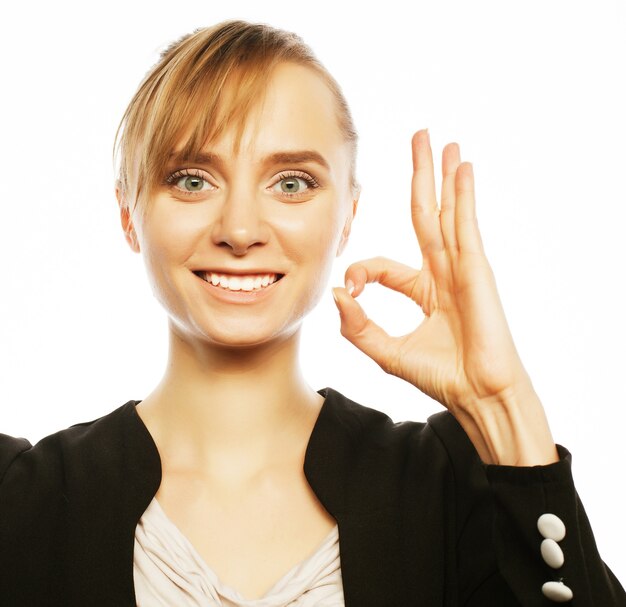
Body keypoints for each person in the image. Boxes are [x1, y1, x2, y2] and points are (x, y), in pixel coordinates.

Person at [0, 19, 624, 607]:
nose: (240, 229)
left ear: (347, 216)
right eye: (192, 179)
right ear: (128, 213)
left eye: (292, 183)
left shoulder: (453, 491)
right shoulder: (16, 501)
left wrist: (503, 406)